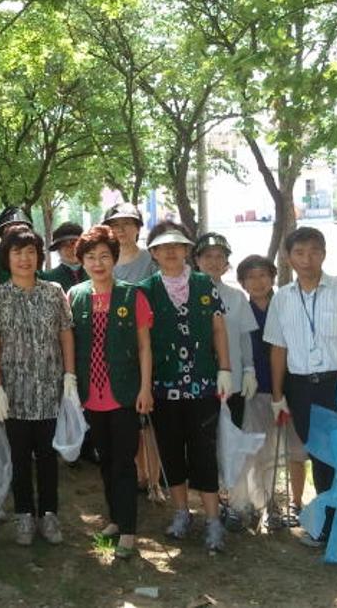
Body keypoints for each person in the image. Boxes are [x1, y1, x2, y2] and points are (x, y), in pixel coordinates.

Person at [263, 227, 337, 547]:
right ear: (288, 258)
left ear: (324, 254)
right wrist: (277, 395)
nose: (307, 259)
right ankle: (327, 525)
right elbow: (277, 349)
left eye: (314, 251)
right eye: (299, 252)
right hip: (300, 387)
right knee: (318, 455)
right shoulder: (282, 297)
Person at [139, 222, 231, 553]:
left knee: (204, 452)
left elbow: (218, 329)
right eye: (163, 248)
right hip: (164, 387)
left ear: (187, 251)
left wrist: (225, 368)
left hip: (203, 385)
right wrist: (145, 385)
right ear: (153, 253)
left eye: (177, 246)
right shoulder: (146, 289)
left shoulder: (205, 284)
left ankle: (213, 519)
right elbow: (143, 341)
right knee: (171, 451)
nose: (171, 252)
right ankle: (181, 513)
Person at [0, 227, 74, 546]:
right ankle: (23, 514)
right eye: (17, 252)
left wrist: (70, 376)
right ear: (7, 257)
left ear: (38, 257)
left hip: (49, 390)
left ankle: (48, 514)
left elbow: (65, 335)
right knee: (19, 456)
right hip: (13, 392)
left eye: (30, 252)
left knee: (48, 456)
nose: (24, 258)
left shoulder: (54, 292)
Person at [68, 225, 154, 559]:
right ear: (83, 262)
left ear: (114, 259)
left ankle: (129, 530)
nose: (98, 263)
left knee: (124, 462)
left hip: (126, 393)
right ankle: (115, 520)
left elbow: (145, 347)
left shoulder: (134, 295)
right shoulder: (75, 296)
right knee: (105, 460)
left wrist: (145, 388)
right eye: (91, 257)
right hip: (92, 395)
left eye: (105, 256)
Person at [236, 255, 307, 529]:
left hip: (292, 387)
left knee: (296, 450)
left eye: (263, 275)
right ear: (242, 282)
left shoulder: (288, 303)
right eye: (251, 277)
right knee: (257, 452)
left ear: (273, 278)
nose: (258, 281)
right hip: (255, 390)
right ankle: (262, 503)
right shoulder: (242, 309)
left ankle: (296, 503)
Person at [194, 232, 258, 427]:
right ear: (197, 260)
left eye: (219, 256)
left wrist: (249, 369)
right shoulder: (185, 294)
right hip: (198, 381)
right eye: (207, 256)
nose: (214, 262)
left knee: (233, 436)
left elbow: (244, 337)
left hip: (235, 378)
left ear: (226, 262)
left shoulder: (237, 297)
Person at [102, 203, 157, 284]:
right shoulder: (102, 260)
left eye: (126, 223)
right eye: (115, 225)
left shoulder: (152, 259)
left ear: (138, 228)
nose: (120, 229)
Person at [0, 206, 35, 283]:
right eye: (12, 226)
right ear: (3, 232)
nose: (17, 230)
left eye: (21, 226)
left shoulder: (33, 254)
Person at [40, 222, 88, 291]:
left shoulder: (96, 274)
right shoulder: (48, 279)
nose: (71, 249)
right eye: (64, 245)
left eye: (73, 243)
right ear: (58, 250)